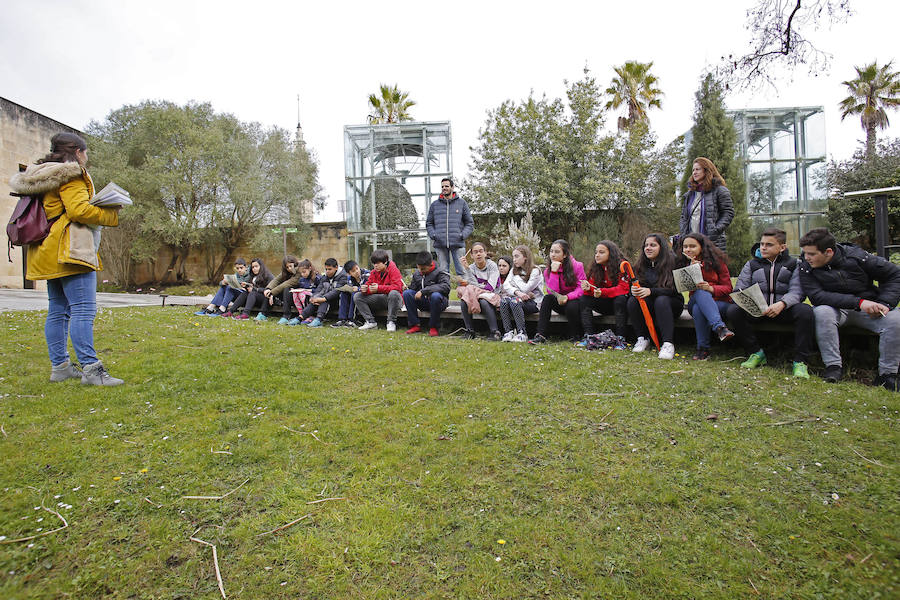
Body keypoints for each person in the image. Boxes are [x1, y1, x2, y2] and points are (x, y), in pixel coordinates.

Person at [8, 132, 123, 385]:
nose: (87, 157)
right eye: (86, 152)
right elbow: (78, 210)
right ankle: (92, 370)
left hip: (47, 250)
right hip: (71, 250)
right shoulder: (71, 175)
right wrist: (110, 214)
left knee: (58, 310)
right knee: (83, 309)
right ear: (78, 152)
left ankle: (60, 367)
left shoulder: (41, 175)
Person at [798, 227, 900, 389]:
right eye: (805, 253)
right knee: (821, 312)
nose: (806, 257)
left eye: (811, 254)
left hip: (869, 309)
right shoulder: (805, 267)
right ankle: (833, 367)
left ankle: (887, 374)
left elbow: (894, 274)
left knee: (895, 319)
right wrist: (859, 302)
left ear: (828, 252)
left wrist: (885, 303)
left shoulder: (858, 257)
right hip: (836, 309)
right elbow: (817, 296)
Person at [726, 228, 813, 378]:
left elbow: (797, 291)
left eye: (769, 244)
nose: (763, 247)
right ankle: (755, 352)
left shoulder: (795, 264)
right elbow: (740, 288)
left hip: (783, 310)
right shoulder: (751, 265)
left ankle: (800, 362)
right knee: (733, 311)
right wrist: (752, 304)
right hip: (757, 311)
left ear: (782, 247)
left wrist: (782, 304)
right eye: (762, 244)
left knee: (805, 311)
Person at [676, 233, 734, 361]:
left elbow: (728, 288)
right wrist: (691, 270)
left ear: (702, 247)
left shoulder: (717, 262)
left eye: (692, 246)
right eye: (685, 246)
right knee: (699, 293)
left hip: (719, 303)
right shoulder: (683, 263)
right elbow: (683, 287)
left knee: (698, 308)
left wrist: (711, 288)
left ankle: (703, 349)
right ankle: (720, 327)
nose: (688, 249)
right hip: (695, 299)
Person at [627, 233, 683, 360]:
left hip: (671, 304)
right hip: (651, 304)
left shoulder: (674, 262)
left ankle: (668, 343)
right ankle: (642, 338)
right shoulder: (640, 265)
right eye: (646, 245)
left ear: (661, 247)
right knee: (632, 301)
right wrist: (634, 291)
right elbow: (638, 288)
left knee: (661, 300)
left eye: (653, 245)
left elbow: (675, 290)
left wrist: (651, 291)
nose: (648, 248)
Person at [529, 239, 586, 344]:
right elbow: (551, 292)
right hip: (559, 302)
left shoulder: (577, 266)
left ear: (565, 254)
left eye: (557, 252)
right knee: (547, 298)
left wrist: (568, 297)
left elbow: (581, 288)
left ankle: (575, 335)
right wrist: (554, 272)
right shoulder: (548, 270)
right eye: (551, 251)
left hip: (574, 302)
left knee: (571, 306)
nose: (553, 255)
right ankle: (541, 335)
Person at [578, 241, 629, 348]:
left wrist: (603, 292)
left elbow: (624, 288)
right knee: (584, 299)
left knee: (620, 299)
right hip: (604, 304)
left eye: (601, 252)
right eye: (596, 252)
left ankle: (621, 338)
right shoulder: (596, 267)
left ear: (611, 253)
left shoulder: (622, 265)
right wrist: (588, 289)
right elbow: (592, 288)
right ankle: (589, 335)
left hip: (620, 305)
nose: (597, 255)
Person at [679, 157, 734, 253]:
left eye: (697, 169)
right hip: (691, 244)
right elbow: (684, 217)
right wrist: (684, 234)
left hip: (712, 243)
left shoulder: (720, 190)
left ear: (707, 170)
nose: (694, 172)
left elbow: (728, 213)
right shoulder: (690, 194)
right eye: (693, 170)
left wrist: (715, 230)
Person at [425, 178, 474, 276]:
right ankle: (444, 291)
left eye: (446, 186)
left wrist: (462, 235)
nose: (444, 188)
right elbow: (429, 223)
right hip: (440, 244)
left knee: (462, 271)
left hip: (458, 243)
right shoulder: (435, 205)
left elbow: (469, 223)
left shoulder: (462, 203)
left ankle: (464, 291)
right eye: (442, 186)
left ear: (452, 187)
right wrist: (434, 235)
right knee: (443, 272)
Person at [458, 242, 503, 341]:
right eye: (475, 252)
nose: (478, 254)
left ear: (485, 253)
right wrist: (467, 269)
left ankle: (495, 332)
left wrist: (477, 287)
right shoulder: (471, 268)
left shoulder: (492, 266)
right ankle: (470, 331)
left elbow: (489, 288)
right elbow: (471, 285)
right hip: (477, 295)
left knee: (483, 300)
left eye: (481, 251)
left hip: (494, 295)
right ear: (472, 255)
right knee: (464, 300)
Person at [499, 245, 543, 342]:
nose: (514, 260)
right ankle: (508, 332)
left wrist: (515, 278)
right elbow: (506, 285)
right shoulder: (514, 269)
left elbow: (526, 288)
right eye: (513, 256)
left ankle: (522, 333)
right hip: (519, 299)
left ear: (525, 257)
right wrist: (517, 292)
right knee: (504, 301)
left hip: (534, 302)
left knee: (514, 301)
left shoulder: (535, 270)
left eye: (517, 256)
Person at [403, 251, 451, 336]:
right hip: (424, 302)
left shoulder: (441, 272)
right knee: (407, 293)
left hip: (439, 302)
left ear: (431, 265)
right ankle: (415, 325)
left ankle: (434, 327)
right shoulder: (417, 274)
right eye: (419, 268)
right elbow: (413, 288)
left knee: (435, 296)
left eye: (423, 269)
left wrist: (424, 291)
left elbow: (446, 287)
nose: (420, 271)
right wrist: (407, 288)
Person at [353, 250, 403, 331]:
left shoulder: (393, 270)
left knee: (393, 293)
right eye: (374, 263)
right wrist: (365, 289)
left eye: (378, 263)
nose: (375, 266)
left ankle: (391, 322)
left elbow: (398, 287)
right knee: (358, 296)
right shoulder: (373, 272)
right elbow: (369, 285)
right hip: (380, 299)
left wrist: (379, 288)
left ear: (385, 262)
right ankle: (370, 322)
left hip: (395, 300)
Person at [298, 258, 348, 327]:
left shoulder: (343, 276)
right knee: (315, 301)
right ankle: (300, 318)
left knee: (324, 300)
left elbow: (337, 291)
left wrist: (323, 298)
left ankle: (318, 319)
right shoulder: (325, 277)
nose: (327, 271)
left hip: (338, 301)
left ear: (336, 267)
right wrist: (313, 298)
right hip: (327, 299)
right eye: (326, 269)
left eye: (329, 269)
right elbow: (319, 288)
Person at [263, 255, 301, 324]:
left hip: (298, 296)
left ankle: (286, 316)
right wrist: (268, 289)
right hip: (289, 296)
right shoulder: (286, 272)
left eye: (290, 266)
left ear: (295, 264)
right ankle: (263, 314)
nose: (289, 268)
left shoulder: (300, 270)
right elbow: (276, 280)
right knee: (269, 291)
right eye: (287, 267)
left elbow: (287, 284)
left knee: (286, 289)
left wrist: (272, 293)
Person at [284, 259, 321, 325]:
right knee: (296, 294)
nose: (302, 274)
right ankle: (301, 314)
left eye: (304, 272)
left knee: (303, 294)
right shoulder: (302, 279)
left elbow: (320, 289)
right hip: (304, 293)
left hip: (314, 296)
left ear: (310, 268)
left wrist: (310, 290)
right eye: (301, 273)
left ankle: (309, 315)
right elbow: (302, 287)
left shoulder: (317, 278)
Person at [333, 260, 369, 327]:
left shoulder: (366, 274)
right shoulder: (350, 278)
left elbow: (368, 287)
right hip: (358, 295)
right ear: (349, 273)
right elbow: (350, 287)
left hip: (368, 295)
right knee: (344, 293)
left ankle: (353, 319)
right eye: (353, 271)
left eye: (357, 268)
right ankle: (342, 319)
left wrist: (358, 289)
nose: (357, 272)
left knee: (355, 293)